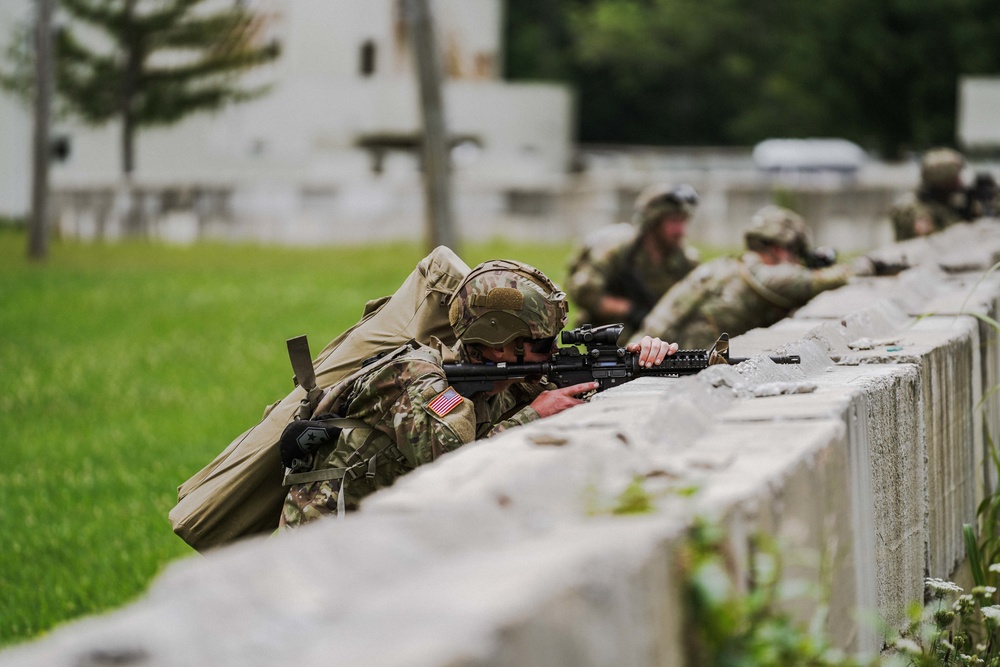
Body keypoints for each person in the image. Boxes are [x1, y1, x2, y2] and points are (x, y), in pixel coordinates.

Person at [280, 258, 678, 526]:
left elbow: (575, 396)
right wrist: (534, 416)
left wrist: (633, 366)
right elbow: (450, 463)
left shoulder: (508, 381)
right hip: (327, 540)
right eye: (541, 344)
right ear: (497, 341)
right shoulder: (412, 378)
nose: (553, 353)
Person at [631, 205, 854, 349]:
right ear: (779, 249)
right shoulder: (762, 275)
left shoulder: (722, 266)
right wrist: (865, 266)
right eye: (796, 253)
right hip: (685, 363)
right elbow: (825, 279)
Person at [566, 182, 701, 341]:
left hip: (661, 334)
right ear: (653, 221)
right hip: (615, 332)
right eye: (673, 221)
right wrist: (629, 310)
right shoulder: (617, 250)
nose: (681, 230)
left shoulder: (686, 261)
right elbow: (584, 292)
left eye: (684, 221)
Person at [889, 147, 976, 241]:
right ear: (943, 179)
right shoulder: (916, 209)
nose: (961, 183)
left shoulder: (942, 203)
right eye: (956, 177)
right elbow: (933, 242)